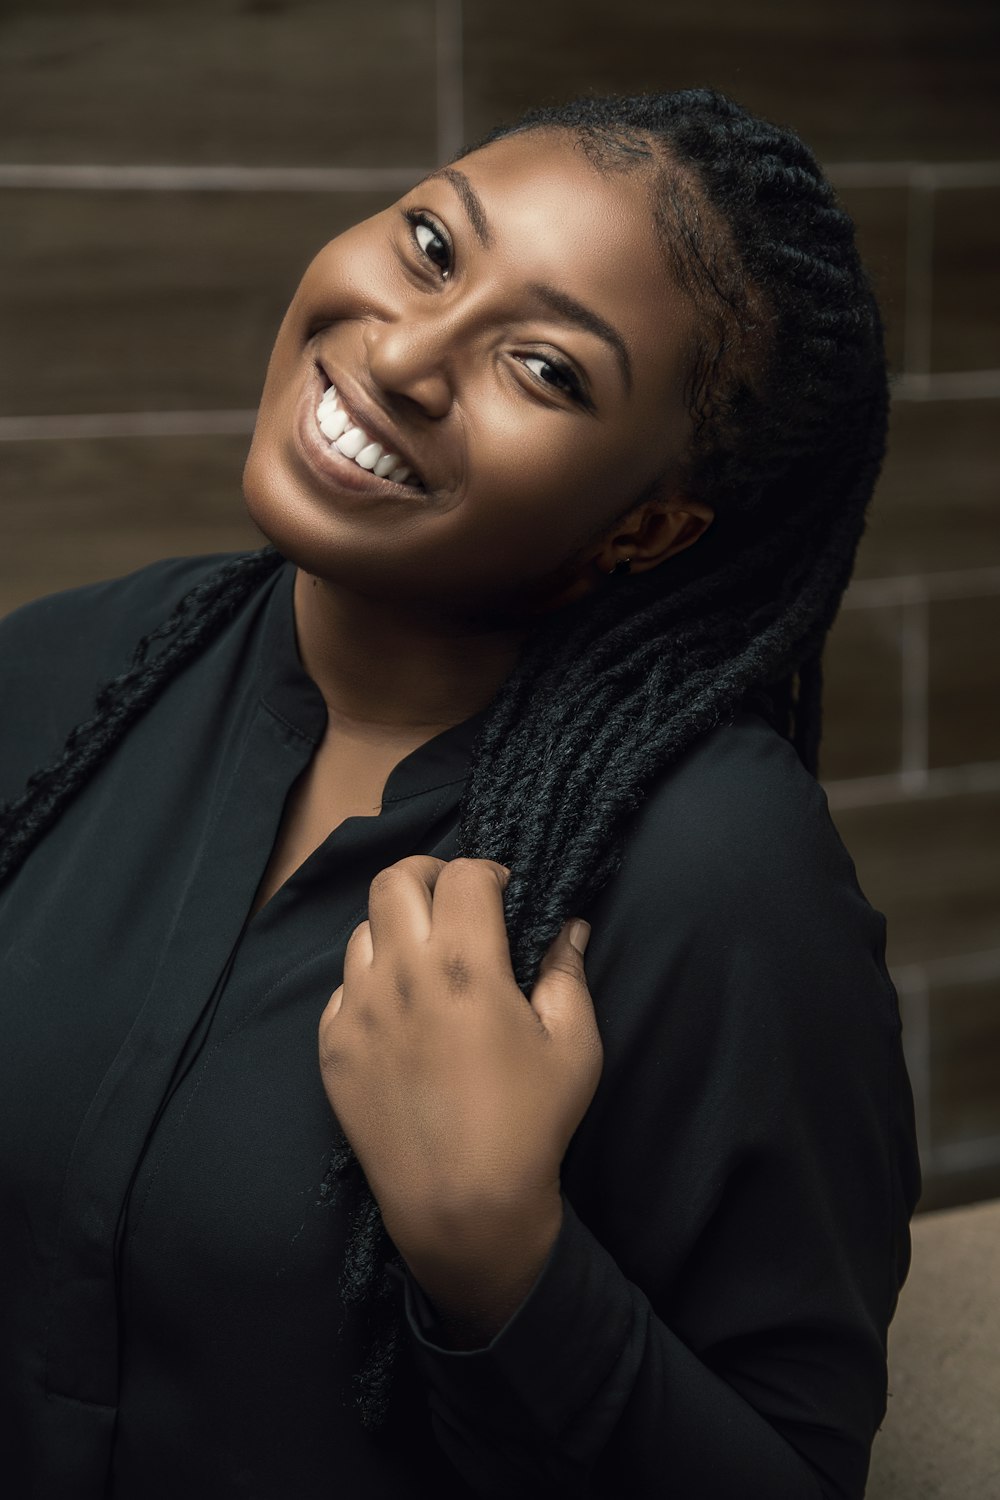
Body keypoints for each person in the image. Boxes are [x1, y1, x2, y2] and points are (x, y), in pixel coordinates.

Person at [0, 87, 920, 1498]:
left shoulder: (715, 880)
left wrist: (499, 1252)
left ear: (648, 527)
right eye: (432, 244)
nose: (405, 354)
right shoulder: (71, 668)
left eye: (545, 369)